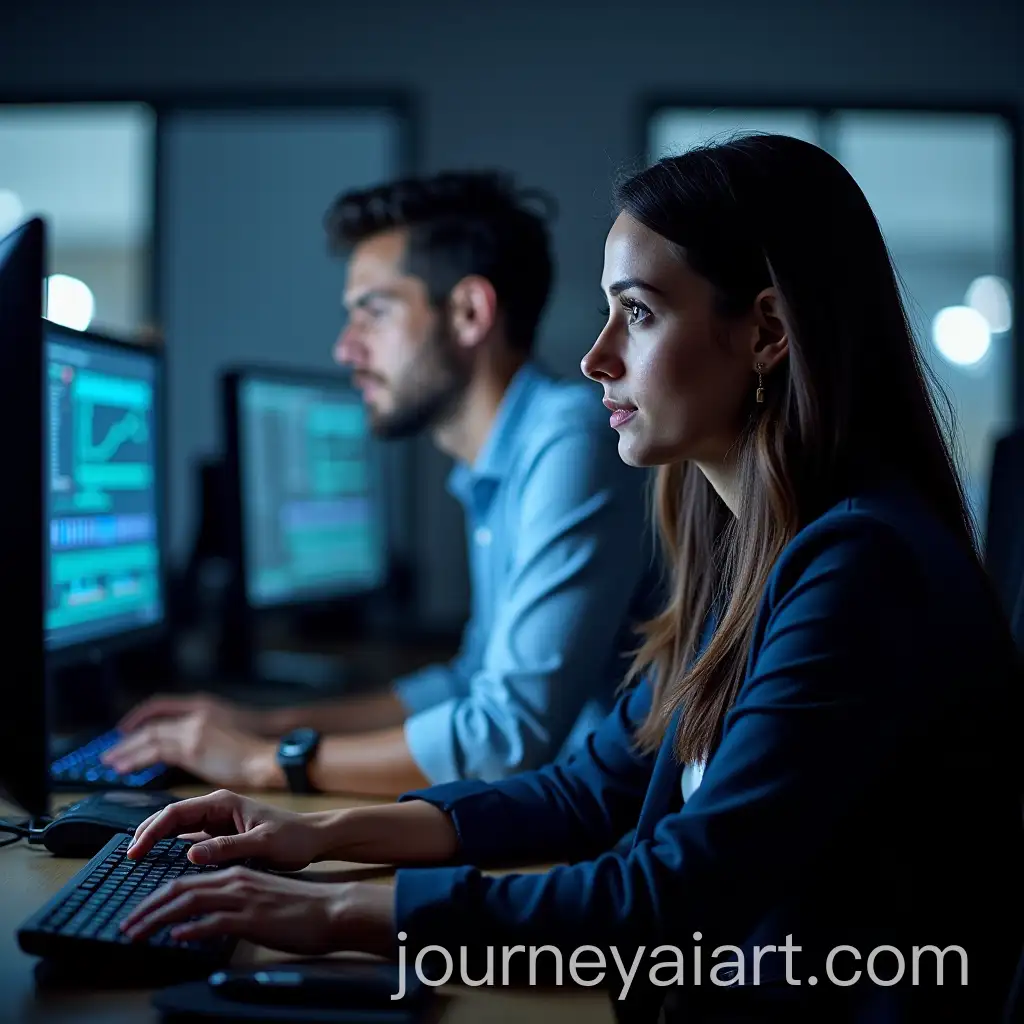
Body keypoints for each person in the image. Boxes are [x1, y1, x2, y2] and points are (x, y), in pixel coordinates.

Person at [117, 136, 1024, 1022]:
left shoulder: (861, 570)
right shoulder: (751, 554)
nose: (596, 358)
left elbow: (675, 899)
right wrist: (316, 839)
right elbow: (590, 789)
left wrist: (339, 915)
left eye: (636, 312)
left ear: (767, 332)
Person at [105, 171, 657, 797]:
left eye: (374, 312)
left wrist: (263, 764)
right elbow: (471, 681)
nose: (345, 349)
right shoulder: (503, 461)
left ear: (469, 312)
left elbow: (505, 734)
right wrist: (264, 724)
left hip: (611, 834)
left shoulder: (570, 439)